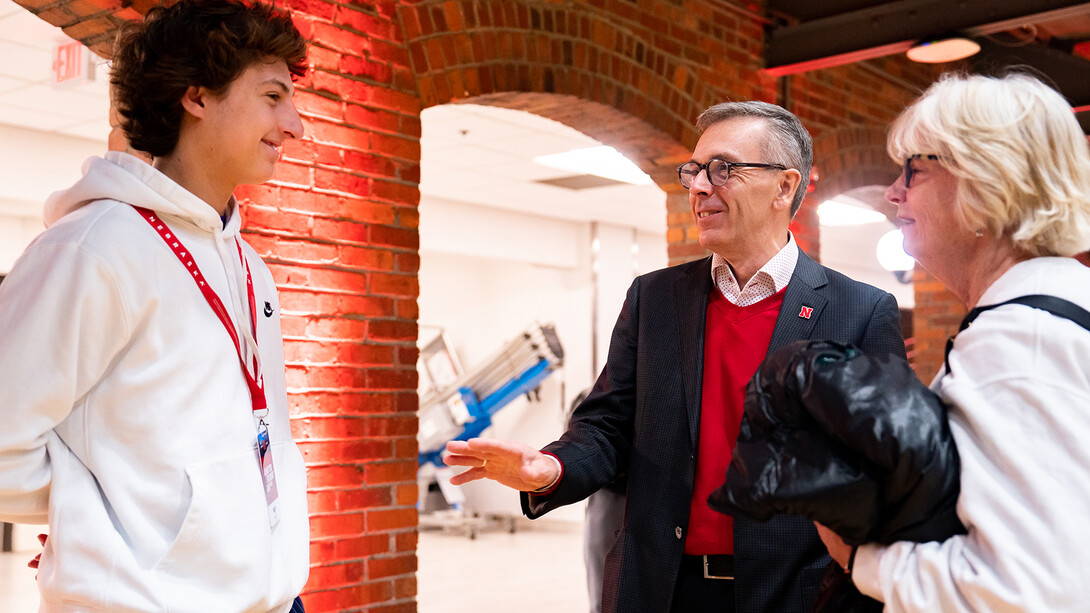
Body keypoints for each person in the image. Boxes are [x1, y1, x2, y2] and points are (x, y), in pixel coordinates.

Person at [445, 100, 908, 613]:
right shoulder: (655, 299)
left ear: (784, 186)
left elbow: (888, 468)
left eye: (723, 169)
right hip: (663, 588)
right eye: (695, 171)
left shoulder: (859, 312)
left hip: (797, 594)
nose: (700, 187)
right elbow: (607, 426)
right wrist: (550, 466)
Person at [0, 1, 310, 611]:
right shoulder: (91, 250)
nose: (295, 124)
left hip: (271, 597)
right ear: (197, 97)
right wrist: (94, 516)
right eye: (273, 96)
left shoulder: (249, 267)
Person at [815, 72, 1090, 611]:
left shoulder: (1020, 342)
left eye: (913, 169)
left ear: (989, 180)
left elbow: (1029, 593)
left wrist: (859, 558)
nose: (893, 191)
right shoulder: (1053, 313)